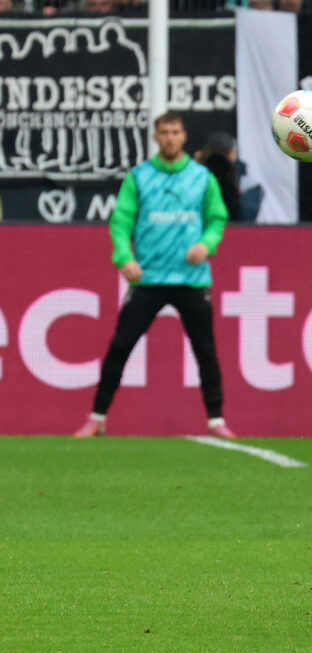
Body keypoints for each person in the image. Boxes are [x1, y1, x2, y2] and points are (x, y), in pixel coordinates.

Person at [73, 112, 236, 440]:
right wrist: (124, 257)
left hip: (191, 279)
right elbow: (121, 222)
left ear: (184, 136)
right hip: (148, 278)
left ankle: (216, 420)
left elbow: (217, 219)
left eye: (175, 132)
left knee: (205, 351)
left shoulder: (202, 177)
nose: (170, 138)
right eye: (164, 132)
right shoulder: (139, 177)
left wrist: (206, 244)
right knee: (121, 346)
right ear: (155, 137)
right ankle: (97, 417)